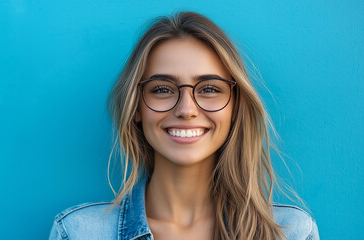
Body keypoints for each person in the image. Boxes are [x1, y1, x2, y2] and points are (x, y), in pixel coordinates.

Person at [49, 11, 319, 240]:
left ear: (235, 106)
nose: (186, 110)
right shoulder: (78, 232)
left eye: (210, 89)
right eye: (163, 89)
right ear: (136, 107)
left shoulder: (291, 231)